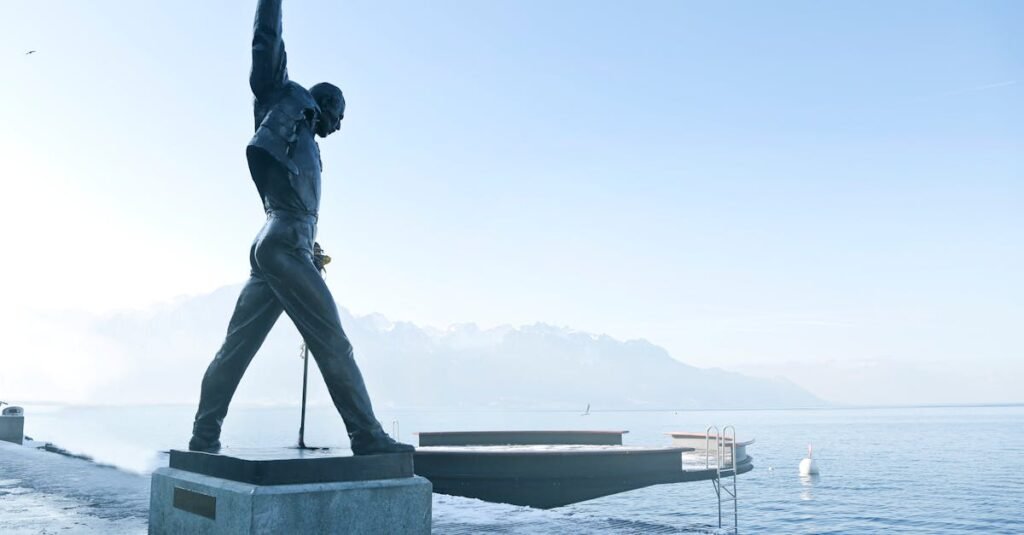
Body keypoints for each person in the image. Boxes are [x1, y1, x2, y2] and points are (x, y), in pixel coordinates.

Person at [188, 0, 412, 456]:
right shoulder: (281, 96)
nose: (341, 124)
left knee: (236, 349)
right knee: (333, 340)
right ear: (326, 101)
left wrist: (310, 244)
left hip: (280, 244)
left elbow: (296, 203)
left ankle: (202, 437)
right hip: (281, 243)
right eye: (341, 113)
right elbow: (266, 40)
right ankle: (367, 437)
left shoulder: (304, 139)